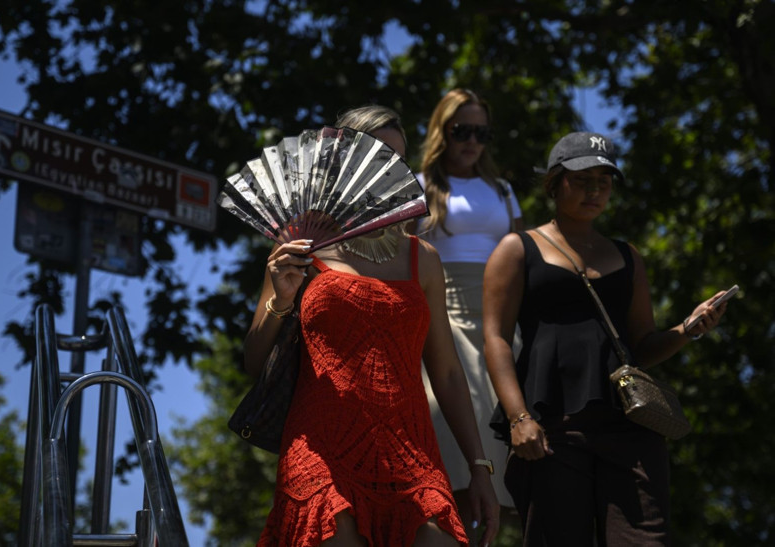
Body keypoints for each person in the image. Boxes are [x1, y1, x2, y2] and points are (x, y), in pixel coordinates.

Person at [244, 105, 499, 547]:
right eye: (377, 154)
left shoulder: (424, 258)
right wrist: (282, 300)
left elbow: (449, 372)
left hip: (412, 452)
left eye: (398, 159)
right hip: (324, 448)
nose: (389, 169)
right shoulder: (299, 244)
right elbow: (253, 364)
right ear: (341, 162)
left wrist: (480, 467)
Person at [482, 131, 729, 545]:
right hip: (553, 428)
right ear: (554, 183)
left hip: (630, 426)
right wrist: (519, 417)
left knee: (646, 540)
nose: (594, 190)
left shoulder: (627, 255)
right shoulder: (517, 248)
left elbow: (641, 346)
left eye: (604, 181)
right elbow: (496, 339)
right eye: (581, 180)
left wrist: (687, 330)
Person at [416, 88, 524, 539]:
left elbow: (522, 255)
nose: (472, 142)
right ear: (443, 131)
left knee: (505, 428)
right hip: (443, 311)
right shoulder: (420, 185)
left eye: (482, 132)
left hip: (500, 316)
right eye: (462, 131)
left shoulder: (502, 190)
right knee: (446, 419)